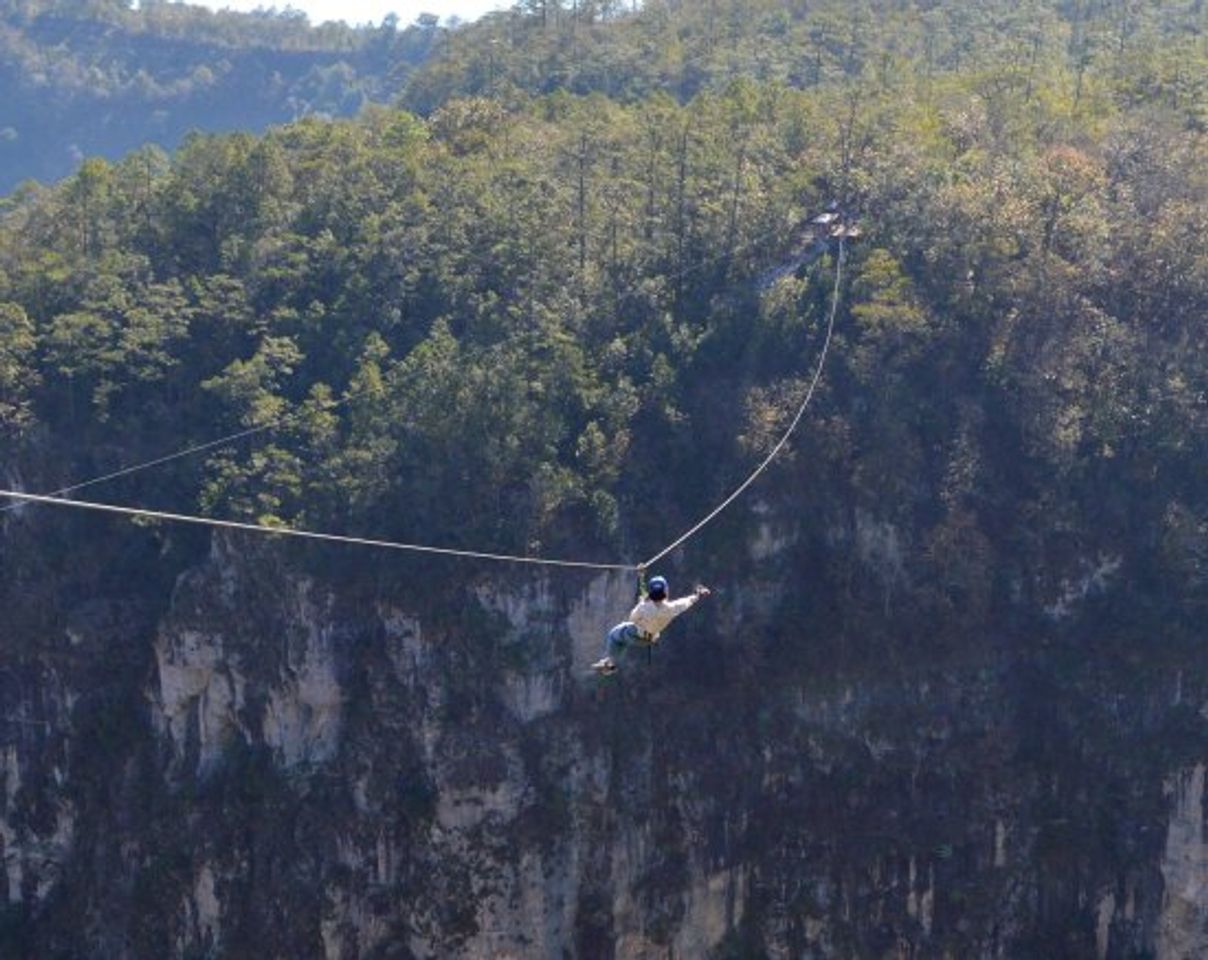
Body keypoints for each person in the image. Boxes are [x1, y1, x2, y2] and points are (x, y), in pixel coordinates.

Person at [592, 571, 710, 676]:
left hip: (635, 635)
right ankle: (610, 664)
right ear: (665, 591)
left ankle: (610, 663)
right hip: (650, 640)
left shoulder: (644, 607)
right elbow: (686, 602)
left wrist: (642, 602)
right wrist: (697, 595)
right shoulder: (671, 608)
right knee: (622, 641)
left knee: (615, 635)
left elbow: (632, 618)